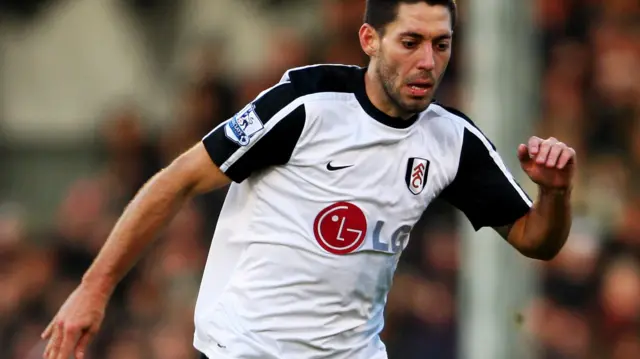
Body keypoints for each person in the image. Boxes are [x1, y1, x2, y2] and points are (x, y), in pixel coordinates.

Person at [41, 1, 576, 358]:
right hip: (248, 347)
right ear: (370, 39)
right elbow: (176, 180)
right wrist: (95, 288)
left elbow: (536, 240)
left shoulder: (451, 140)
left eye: (441, 44)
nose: (427, 61)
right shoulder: (306, 106)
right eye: (410, 41)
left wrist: (554, 191)